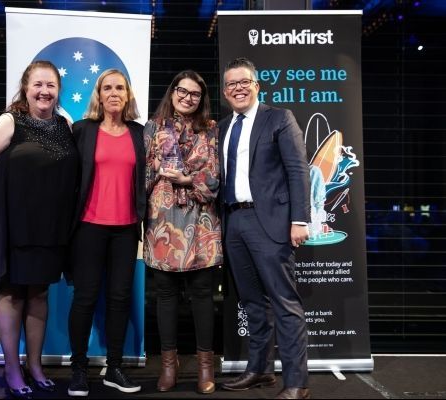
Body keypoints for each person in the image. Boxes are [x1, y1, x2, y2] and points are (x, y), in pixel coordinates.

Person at [0, 60, 79, 399]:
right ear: (26, 88)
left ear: (58, 91)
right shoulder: (9, 122)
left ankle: (35, 365)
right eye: (38, 85)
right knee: (12, 293)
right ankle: (12, 368)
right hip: (15, 225)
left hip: (51, 227)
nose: (44, 91)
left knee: (39, 293)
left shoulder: (66, 124)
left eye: (51, 85)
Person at [218, 57, 311, 400]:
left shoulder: (279, 118)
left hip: (270, 221)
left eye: (244, 82)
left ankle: (297, 383)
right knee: (252, 303)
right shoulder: (222, 128)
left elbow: (298, 170)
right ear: (225, 92)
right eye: (232, 84)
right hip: (233, 221)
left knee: (284, 302)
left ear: (257, 86)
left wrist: (299, 220)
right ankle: (260, 370)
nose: (238, 88)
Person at [67, 69, 146, 397]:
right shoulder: (82, 130)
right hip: (88, 228)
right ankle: (78, 370)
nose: (114, 93)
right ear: (98, 95)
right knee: (85, 298)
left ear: (128, 95)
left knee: (119, 298)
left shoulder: (139, 133)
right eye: (107, 88)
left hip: (126, 229)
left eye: (120, 88)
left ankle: (114, 367)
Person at [143, 70, 222, 394]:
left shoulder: (212, 129)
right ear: (172, 91)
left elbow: (217, 175)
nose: (188, 98)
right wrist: (156, 169)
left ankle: (205, 366)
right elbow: (140, 173)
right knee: (165, 295)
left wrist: (188, 180)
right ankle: (168, 365)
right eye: (183, 91)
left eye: (195, 94)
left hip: (201, 221)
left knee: (202, 294)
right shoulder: (153, 127)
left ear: (202, 99)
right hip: (163, 221)